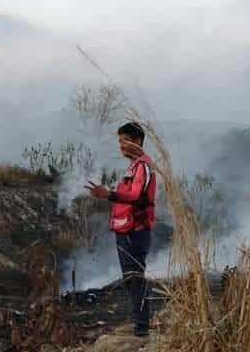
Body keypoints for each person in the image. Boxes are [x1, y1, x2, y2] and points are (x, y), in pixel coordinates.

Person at [85, 121, 156, 337]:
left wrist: (109, 194)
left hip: (135, 231)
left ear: (137, 141)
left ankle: (142, 329)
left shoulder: (143, 166)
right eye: (120, 141)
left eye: (125, 141)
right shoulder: (134, 166)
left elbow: (135, 197)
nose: (121, 146)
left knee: (135, 277)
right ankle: (139, 323)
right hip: (126, 230)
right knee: (131, 278)